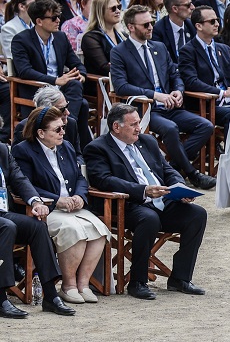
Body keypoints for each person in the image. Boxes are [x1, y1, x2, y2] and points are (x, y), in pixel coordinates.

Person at [85, 103, 208, 300]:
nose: (138, 128)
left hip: (161, 200)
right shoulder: (97, 148)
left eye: (139, 123)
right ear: (116, 127)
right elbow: (103, 180)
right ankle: (137, 281)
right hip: (127, 205)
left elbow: (167, 169)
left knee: (197, 214)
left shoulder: (147, 141)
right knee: (149, 219)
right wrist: (142, 191)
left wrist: (179, 187)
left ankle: (180, 278)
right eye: (133, 124)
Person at [111, 4, 217, 188]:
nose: (151, 27)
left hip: (170, 105)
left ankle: (172, 168)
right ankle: (192, 174)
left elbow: (175, 74)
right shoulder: (119, 52)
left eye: (152, 23)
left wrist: (178, 90)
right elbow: (121, 87)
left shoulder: (159, 47)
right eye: (145, 25)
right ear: (131, 27)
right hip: (144, 110)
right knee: (170, 129)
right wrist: (155, 96)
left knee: (205, 125)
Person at [12, 105, 109, 305]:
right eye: (57, 129)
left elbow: (80, 177)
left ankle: (83, 284)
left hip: (73, 205)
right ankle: (68, 285)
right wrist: (57, 200)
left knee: (99, 229)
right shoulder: (24, 151)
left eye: (63, 127)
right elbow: (26, 185)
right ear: (40, 132)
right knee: (73, 231)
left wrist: (81, 196)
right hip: (47, 209)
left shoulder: (66, 146)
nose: (63, 132)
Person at [0, 136, 78, 318]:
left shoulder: (3, 150)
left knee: (37, 227)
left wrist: (35, 201)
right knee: (7, 227)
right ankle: (1, 298)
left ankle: (50, 295)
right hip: (4, 222)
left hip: (3, 211)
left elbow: (20, 179)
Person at [11, 0, 92, 152]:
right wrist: (55, 80)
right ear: (39, 21)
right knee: (83, 104)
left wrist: (81, 74)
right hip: (38, 90)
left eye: (59, 17)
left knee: (75, 84)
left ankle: (70, 134)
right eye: (54, 18)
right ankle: (75, 141)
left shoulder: (60, 37)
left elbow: (77, 63)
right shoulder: (21, 40)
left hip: (60, 92)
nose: (58, 21)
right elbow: (24, 71)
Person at [179, 4, 230, 132]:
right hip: (206, 103)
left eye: (217, 20)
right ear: (198, 26)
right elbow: (191, 82)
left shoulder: (224, 48)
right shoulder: (187, 51)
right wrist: (222, 93)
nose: (216, 24)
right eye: (212, 21)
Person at [81, 0, 125, 75]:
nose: (118, 11)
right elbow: (104, 68)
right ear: (100, 12)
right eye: (113, 8)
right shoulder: (90, 38)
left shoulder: (123, 35)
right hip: (104, 85)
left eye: (119, 7)